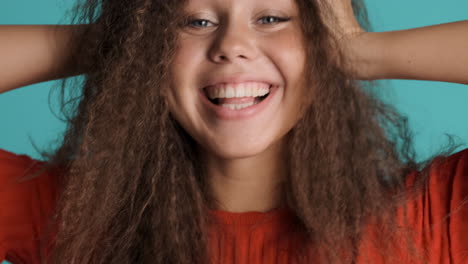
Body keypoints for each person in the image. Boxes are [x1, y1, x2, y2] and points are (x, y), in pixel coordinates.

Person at [0, 0, 467, 263]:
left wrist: (363, 53)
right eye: (197, 21)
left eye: (270, 19)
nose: (233, 46)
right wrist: (116, 43)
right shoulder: (73, 220)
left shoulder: (428, 223)